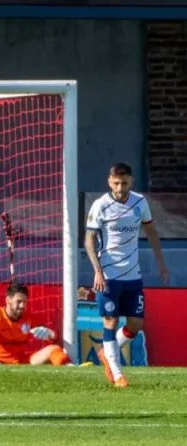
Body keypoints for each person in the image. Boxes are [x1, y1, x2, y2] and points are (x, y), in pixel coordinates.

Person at [84, 162, 170, 388]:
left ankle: (105, 352)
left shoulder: (140, 203)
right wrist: (98, 271)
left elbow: (150, 230)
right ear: (109, 181)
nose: (120, 188)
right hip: (109, 275)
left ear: (131, 181)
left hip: (133, 274)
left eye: (124, 183)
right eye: (115, 183)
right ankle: (117, 373)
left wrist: (160, 262)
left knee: (136, 324)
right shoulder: (100, 206)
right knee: (110, 321)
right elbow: (89, 239)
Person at [0, 283, 71, 366]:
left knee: (54, 349)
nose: (22, 305)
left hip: (22, 361)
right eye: (19, 302)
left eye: (25, 302)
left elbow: (54, 337)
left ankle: (67, 366)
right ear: (8, 300)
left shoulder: (29, 318)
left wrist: (50, 334)